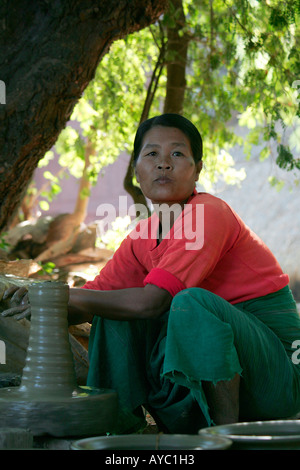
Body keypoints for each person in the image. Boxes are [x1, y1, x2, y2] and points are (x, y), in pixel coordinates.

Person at [2, 113, 300, 434]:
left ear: (197, 169)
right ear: (136, 169)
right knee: (109, 310)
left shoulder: (209, 213)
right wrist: (36, 302)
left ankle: (228, 438)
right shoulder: (142, 237)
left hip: (278, 377)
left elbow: (152, 303)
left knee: (191, 303)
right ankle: (120, 428)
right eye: (152, 154)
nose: (163, 164)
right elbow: (91, 300)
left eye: (177, 154)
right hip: (221, 371)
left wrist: (64, 296)